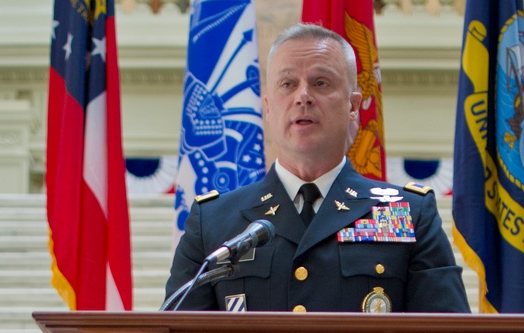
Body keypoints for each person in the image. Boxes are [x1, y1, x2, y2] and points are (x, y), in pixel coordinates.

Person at [165, 23, 470, 313]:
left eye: (320, 82)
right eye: (288, 84)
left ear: (353, 107)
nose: (303, 96)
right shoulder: (214, 222)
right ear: (268, 108)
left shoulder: (407, 212)